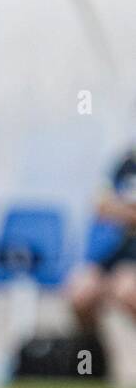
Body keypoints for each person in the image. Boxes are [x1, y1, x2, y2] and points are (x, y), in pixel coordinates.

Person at [66, 146, 136, 346]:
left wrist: (121, 210)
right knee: (80, 292)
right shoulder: (126, 163)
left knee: (128, 291)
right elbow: (100, 206)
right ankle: (94, 364)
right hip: (115, 254)